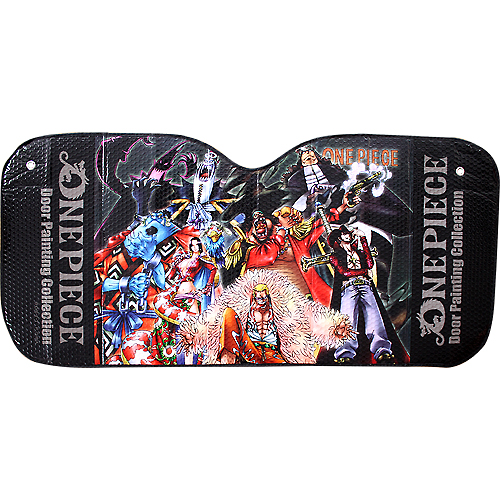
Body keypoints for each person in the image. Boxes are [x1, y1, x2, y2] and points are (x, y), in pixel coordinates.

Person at [327, 226, 397, 364]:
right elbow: (344, 272)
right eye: (344, 234)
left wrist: (363, 238)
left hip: (365, 285)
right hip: (348, 287)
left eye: (348, 233)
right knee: (347, 320)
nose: (348, 235)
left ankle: (382, 351)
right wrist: (363, 272)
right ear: (339, 238)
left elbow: (370, 263)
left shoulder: (359, 252)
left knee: (374, 318)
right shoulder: (335, 256)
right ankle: (345, 354)